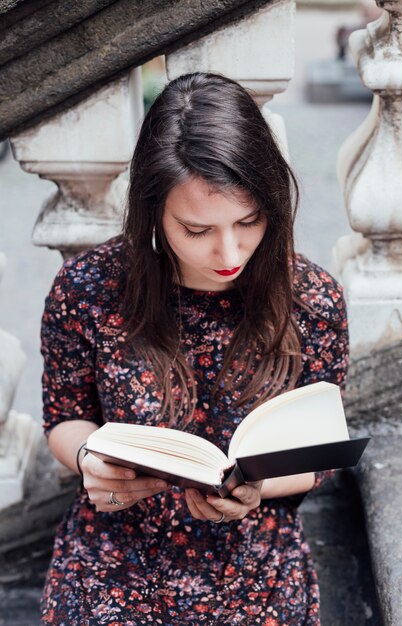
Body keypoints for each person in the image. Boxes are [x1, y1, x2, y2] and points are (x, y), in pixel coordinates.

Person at [40, 72, 348, 625]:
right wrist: (92, 461)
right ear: (154, 210)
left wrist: (258, 489)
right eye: (196, 228)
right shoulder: (88, 288)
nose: (229, 250)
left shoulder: (312, 300)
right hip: (117, 551)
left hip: (255, 555)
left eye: (248, 221)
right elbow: (63, 417)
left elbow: (319, 456)